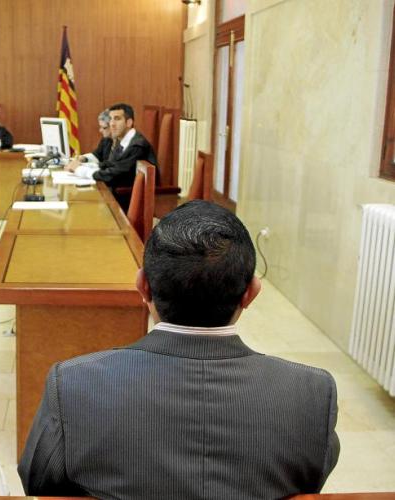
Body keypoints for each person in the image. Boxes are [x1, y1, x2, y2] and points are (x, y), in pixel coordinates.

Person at [18, 200, 340, 500]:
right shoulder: (312, 393)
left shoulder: (73, 384)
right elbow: (310, 483)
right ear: (251, 293)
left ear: (142, 286)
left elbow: (38, 484)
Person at [64, 103, 156, 210]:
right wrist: (84, 166)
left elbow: (113, 176)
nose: (112, 124)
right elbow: (110, 164)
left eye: (117, 119)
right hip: (118, 196)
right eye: (111, 119)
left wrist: (80, 170)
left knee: (81, 207)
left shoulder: (137, 146)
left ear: (129, 122)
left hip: (126, 202)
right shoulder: (123, 141)